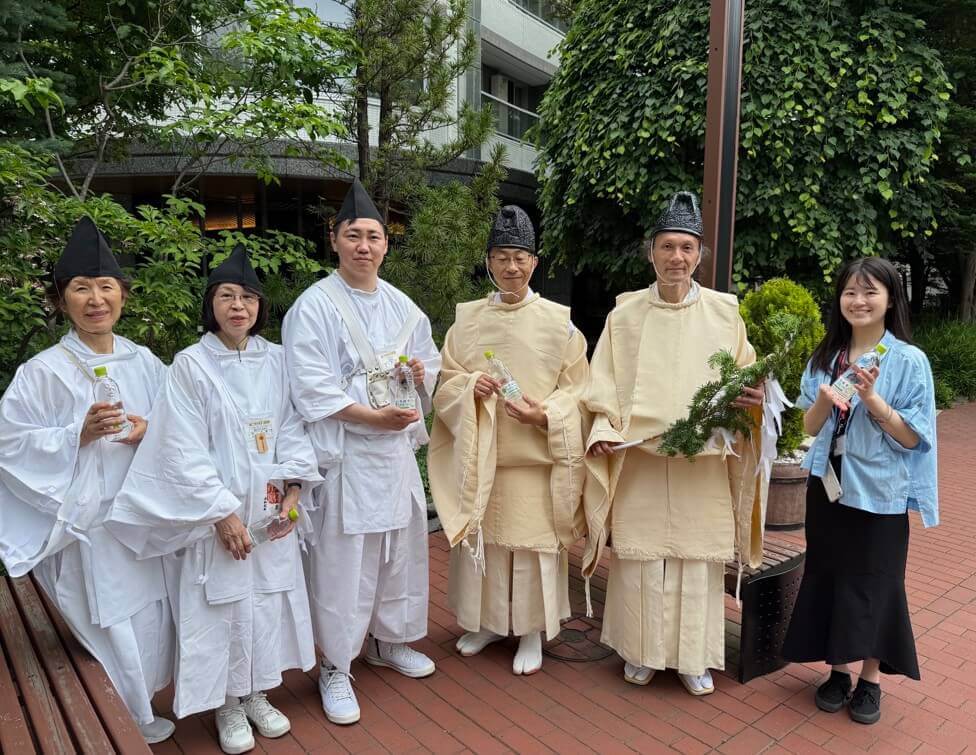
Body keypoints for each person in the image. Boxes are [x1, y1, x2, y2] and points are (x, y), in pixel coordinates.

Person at [108, 246, 322, 754]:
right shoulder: (191, 365)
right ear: (211, 304)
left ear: (260, 306)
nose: (238, 306)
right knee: (221, 607)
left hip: (269, 511)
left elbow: (293, 426)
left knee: (266, 604)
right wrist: (221, 514)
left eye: (248, 297)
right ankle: (226, 702)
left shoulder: (278, 360)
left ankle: (258, 692)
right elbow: (179, 446)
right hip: (216, 515)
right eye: (227, 296)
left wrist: (294, 488)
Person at [581, 192, 767, 695]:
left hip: (702, 460)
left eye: (686, 247)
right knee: (640, 558)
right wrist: (604, 430)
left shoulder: (725, 315)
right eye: (667, 247)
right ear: (651, 253)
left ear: (699, 254)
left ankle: (692, 658)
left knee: (696, 558)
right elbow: (602, 382)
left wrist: (754, 397)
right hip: (640, 456)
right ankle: (640, 652)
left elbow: (747, 377)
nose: (676, 257)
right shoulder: (624, 315)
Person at [0, 217, 175, 743]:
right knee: (109, 617)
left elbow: (181, 425)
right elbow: (10, 441)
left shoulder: (145, 361)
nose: (95, 300)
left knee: (147, 612)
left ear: (123, 295)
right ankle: (128, 721)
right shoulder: (43, 371)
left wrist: (150, 430)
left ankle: (140, 708)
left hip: (141, 513)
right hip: (88, 522)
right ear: (62, 300)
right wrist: (74, 435)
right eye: (81, 288)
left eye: (105, 287)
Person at [282, 179, 441, 725]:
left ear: (386, 244)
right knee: (343, 564)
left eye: (373, 237)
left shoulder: (404, 307)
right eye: (353, 236)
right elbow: (309, 385)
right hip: (347, 453)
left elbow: (430, 366)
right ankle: (335, 664)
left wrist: (418, 376)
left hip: (393, 454)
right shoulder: (314, 306)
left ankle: (387, 640)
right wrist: (370, 417)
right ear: (334, 240)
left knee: (400, 554)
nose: (364, 246)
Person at [429, 205, 589, 675]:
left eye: (520, 257)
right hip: (483, 458)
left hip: (535, 461)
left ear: (534, 263)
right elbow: (445, 383)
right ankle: (489, 624)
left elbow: (580, 390)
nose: (511, 267)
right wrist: (469, 387)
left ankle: (532, 632)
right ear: (488, 262)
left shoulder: (560, 323)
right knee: (488, 550)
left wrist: (546, 414)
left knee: (533, 551)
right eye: (501, 257)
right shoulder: (466, 321)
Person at [782, 257, 938, 725]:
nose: (859, 301)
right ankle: (838, 671)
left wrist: (873, 401)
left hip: (881, 493)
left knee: (876, 583)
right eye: (850, 291)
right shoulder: (825, 358)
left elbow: (914, 438)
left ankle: (870, 680)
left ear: (890, 299)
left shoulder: (908, 361)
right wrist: (824, 402)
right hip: (827, 489)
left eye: (870, 292)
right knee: (830, 575)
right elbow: (807, 429)